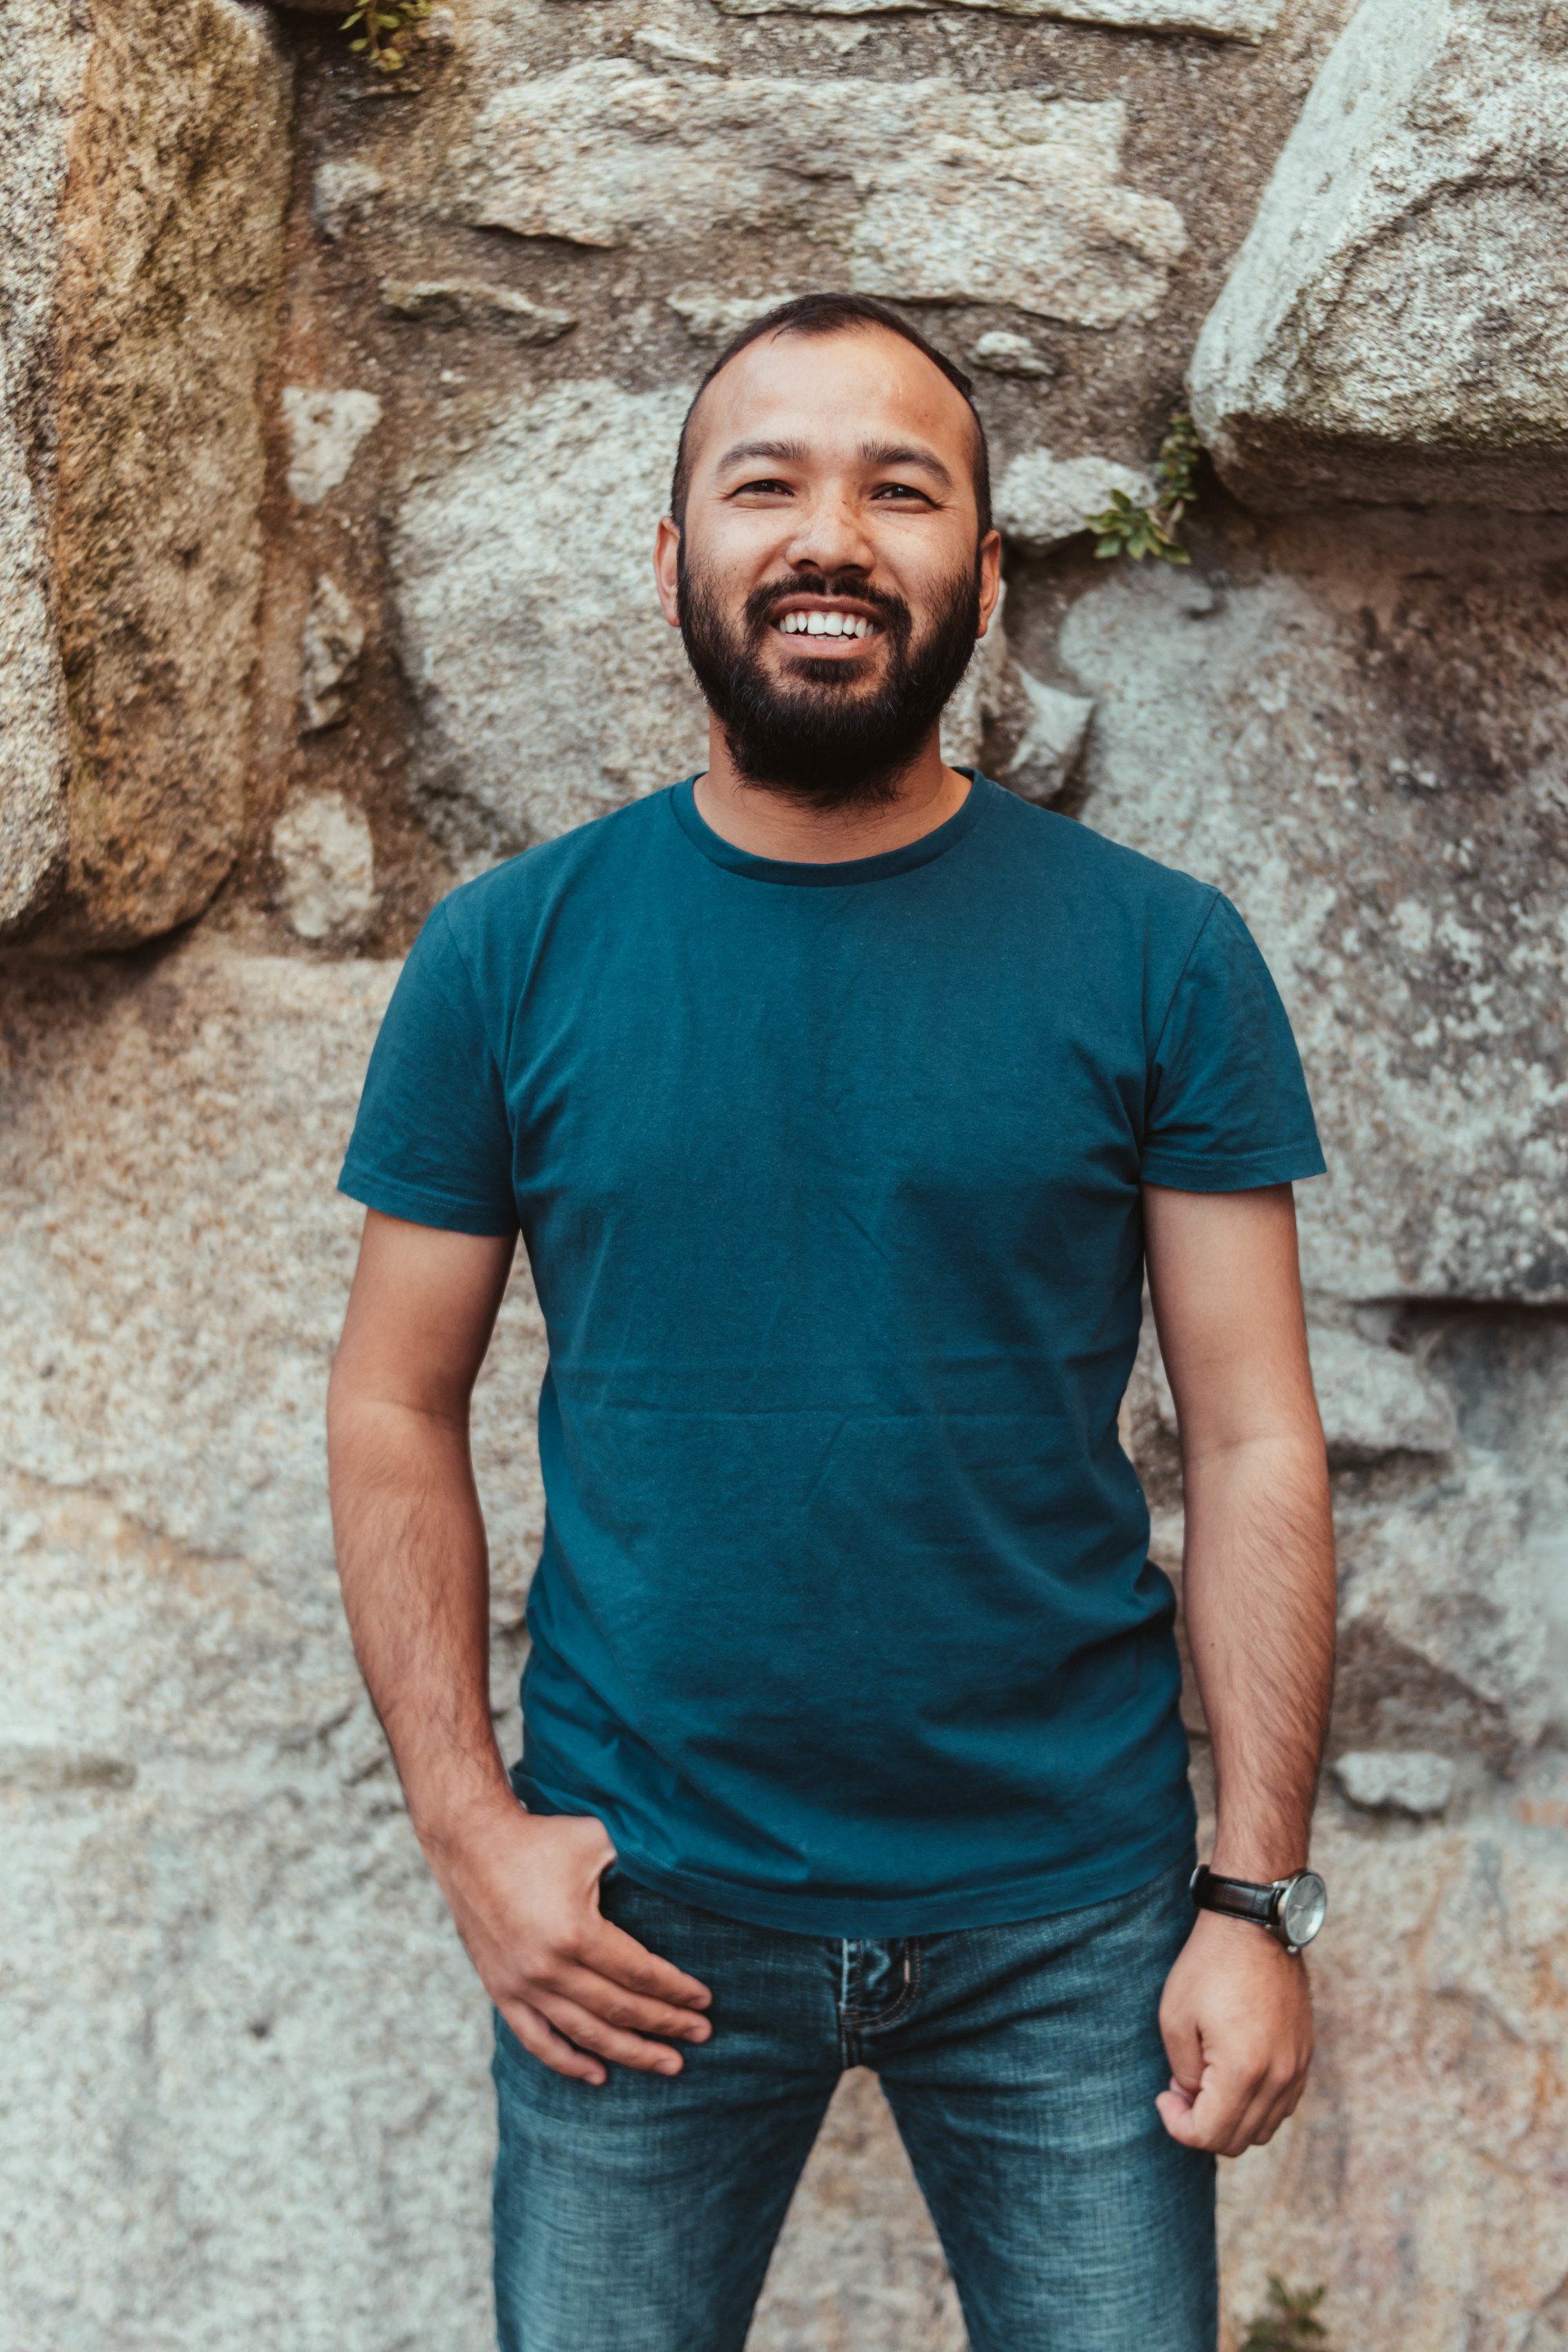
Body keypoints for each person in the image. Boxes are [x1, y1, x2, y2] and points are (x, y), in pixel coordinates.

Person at [327, 292, 1336, 2352]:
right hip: (637, 1914)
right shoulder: (507, 955)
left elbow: (1256, 1439)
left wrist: (1254, 1900)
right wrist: (468, 1832)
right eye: (764, 482)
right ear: (674, 553)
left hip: (1073, 1919)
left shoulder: (1161, 956)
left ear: (986, 566)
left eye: (901, 489)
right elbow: (388, 1406)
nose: (829, 537)